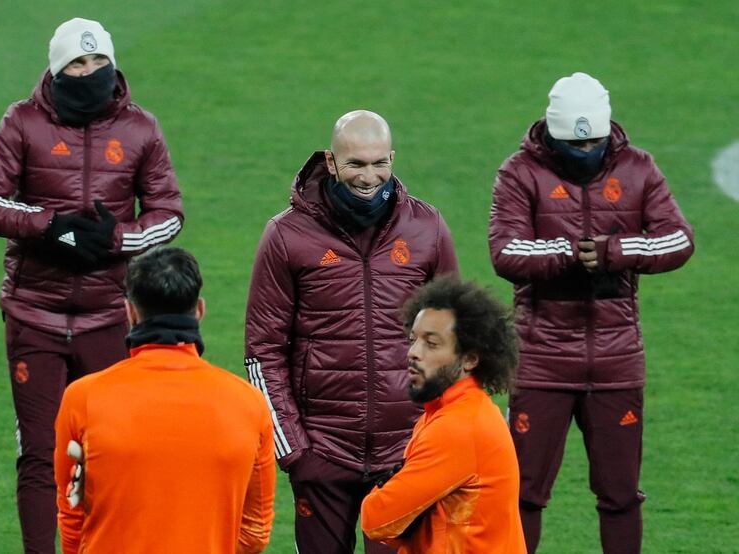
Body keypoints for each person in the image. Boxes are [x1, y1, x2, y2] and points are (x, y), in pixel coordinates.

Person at [0, 18, 183, 553]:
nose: (90, 73)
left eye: (98, 62)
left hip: (107, 316)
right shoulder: (23, 123)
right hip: (33, 313)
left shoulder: (141, 130)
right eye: (77, 65)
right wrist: (49, 226)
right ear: (57, 70)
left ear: (112, 63)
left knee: (109, 450)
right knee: (39, 453)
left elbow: (169, 214)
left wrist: (117, 239)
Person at [488, 72, 694, 554]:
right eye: (575, 144)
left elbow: (680, 239)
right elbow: (505, 252)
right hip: (541, 361)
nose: (586, 152)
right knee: (522, 493)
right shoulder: (519, 173)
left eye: (596, 142)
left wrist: (613, 251)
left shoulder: (639, 169)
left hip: (616, 361)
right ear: (552, 134)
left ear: (608, 130)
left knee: (621, 495)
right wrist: (567, 252)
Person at [244, 110, 458, 553]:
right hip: (322, 455)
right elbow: (262, 351)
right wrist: (295, 452)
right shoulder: (286, 236)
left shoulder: (426, 229)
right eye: (356, 164)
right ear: (331, 161)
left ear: (393, 158)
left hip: (407, 454)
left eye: (380, 162)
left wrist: (439, 438)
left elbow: (453, 337)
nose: (369, 176)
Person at [54, 247, 275, 553]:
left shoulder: (83, 398)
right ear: (199, 310)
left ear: (130, 312)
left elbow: (72, 512)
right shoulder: (249, 403)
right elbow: (255, 531)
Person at [360, 276, 526, 553]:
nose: (413, 353)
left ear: (470, 359)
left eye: (431, 344)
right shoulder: (460, 410)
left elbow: (376, 518)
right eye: (413, 340)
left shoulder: (457, 427)